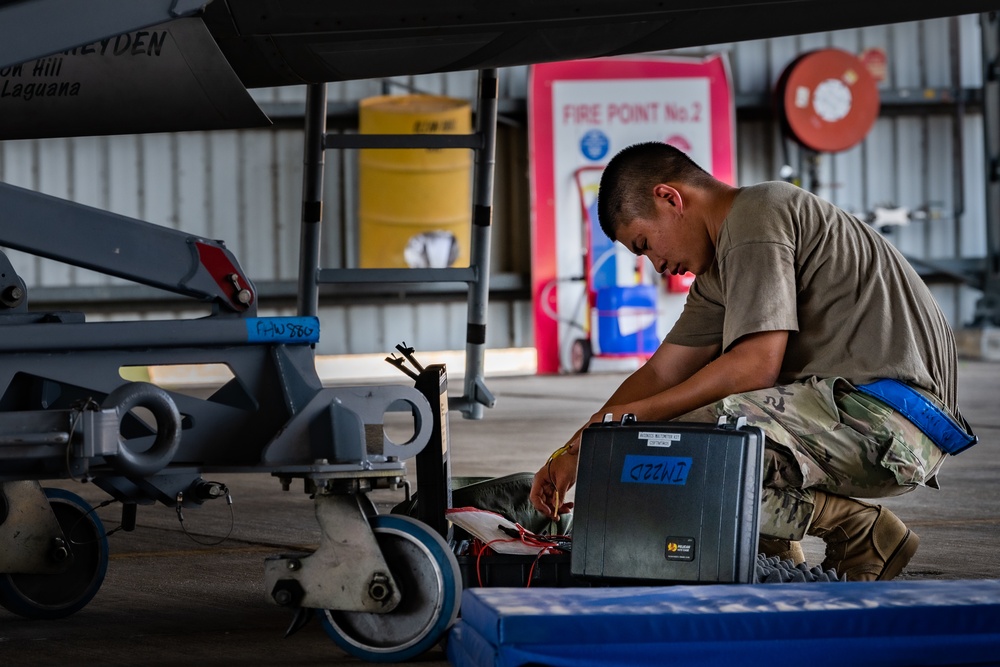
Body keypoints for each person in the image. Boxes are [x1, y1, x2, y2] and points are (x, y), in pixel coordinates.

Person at [529, 141, 976, 581]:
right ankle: (770, 544)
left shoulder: (757, 214)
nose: (656, 264)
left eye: (645, 243)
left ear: (670, 198)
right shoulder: (717, 272)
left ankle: (858, 530)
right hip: (861, 418)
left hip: (889, 423)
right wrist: (577, 448)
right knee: (652, 436)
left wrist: (623, 423)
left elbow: (754, 366)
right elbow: (661, 373)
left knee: (669, 447)